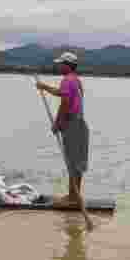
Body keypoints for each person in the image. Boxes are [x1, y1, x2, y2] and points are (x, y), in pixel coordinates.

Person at [36, 51, 90, 207]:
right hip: (79, 123)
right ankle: (74, 195)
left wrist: (58, 123)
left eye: (61, 64)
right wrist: (44, 87)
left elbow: (65, 103)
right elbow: (62, 94)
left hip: (72, 124)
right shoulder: (76, 80)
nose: (59, 66)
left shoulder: (67, 80)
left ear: (68, 65)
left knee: (73, 162)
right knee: (76, 161)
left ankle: (73, 198)